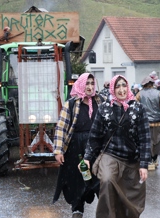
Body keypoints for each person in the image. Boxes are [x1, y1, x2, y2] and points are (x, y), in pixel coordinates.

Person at [82, 75, 151, 217]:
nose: (121, 90)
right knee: (107, 181)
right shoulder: (104, 108)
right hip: (110, 155)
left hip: (132, 159)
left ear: (128, 87)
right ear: (112, 89)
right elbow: (94, 136)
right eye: (117, 86)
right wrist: (87, 158)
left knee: (131, 197)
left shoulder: (138, 108)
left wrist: (144, 165)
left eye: (124, 86)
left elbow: (145, 139)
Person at [53, 73, 104, 218]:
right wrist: (58, 150)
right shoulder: (71, 103)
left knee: (99, 179)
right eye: (87, 83)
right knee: (77, 180)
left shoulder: (101, 101)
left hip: (96, 147)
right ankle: (77, 210)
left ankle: (105, 209)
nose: (89, 87)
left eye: (92, 84)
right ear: (81, 84)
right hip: (76, 147)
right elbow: (61, 127)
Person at [136, 76, 160, 170]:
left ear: (144, 84)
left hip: (144, 123)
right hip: (157, 123)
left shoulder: (139, 94)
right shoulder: (158, 93)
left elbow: (134, 105)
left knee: (147, 141)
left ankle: (148, 160)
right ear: (152, 84)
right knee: (157, 141)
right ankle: (154, 159)